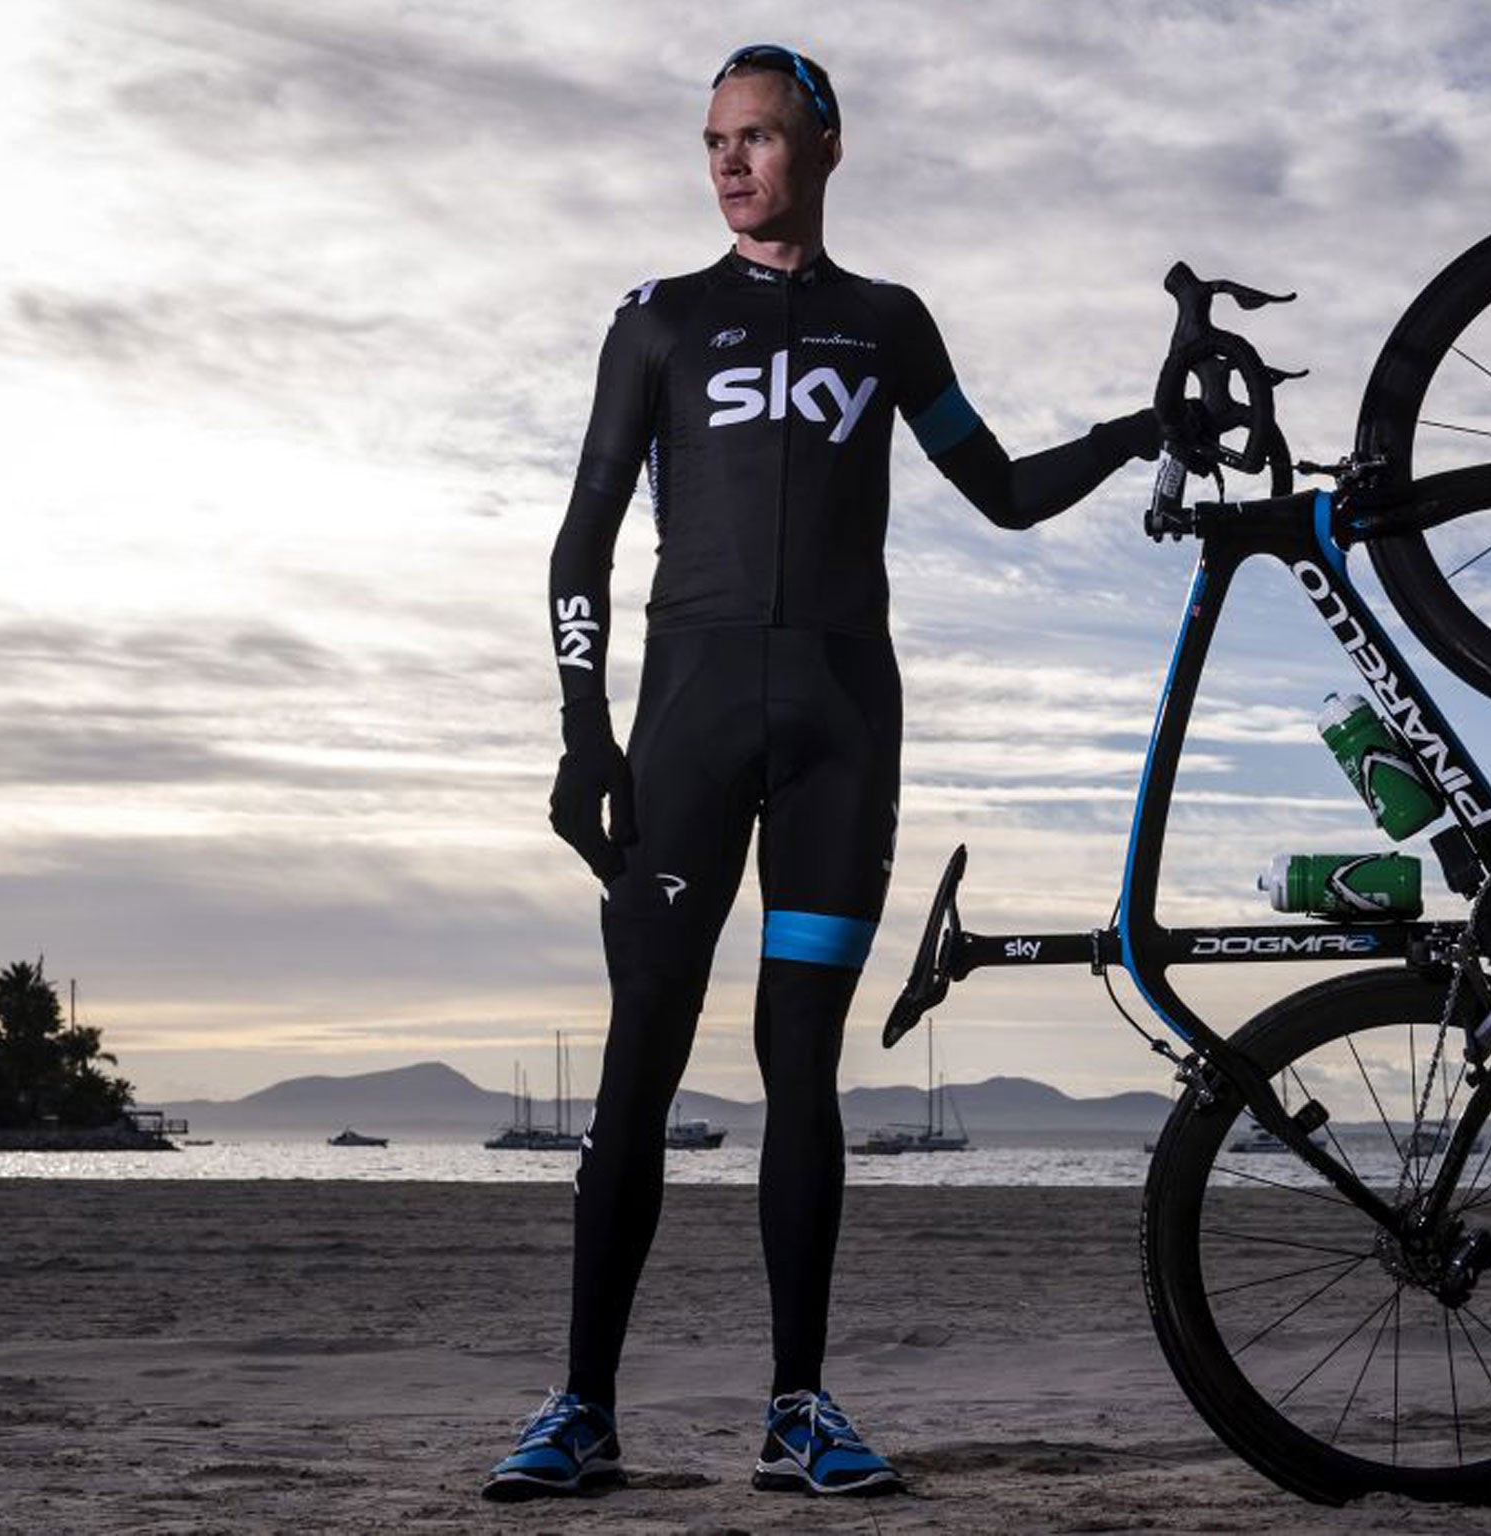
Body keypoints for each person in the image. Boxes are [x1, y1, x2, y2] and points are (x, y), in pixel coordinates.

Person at [482, 43, 1162, 1502]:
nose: (730, 161)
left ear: (827, 146)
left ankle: (798, 1408)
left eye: (761, 137)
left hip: (846, 730)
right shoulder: (659, 323)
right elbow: (582, 534)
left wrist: (1138, 433)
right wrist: (582, 729)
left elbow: (1007, 493)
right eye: (715, 139)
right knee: (639, 1064)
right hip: (687, 722)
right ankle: (584, 1409)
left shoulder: (887, 324)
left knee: (804, 1070)